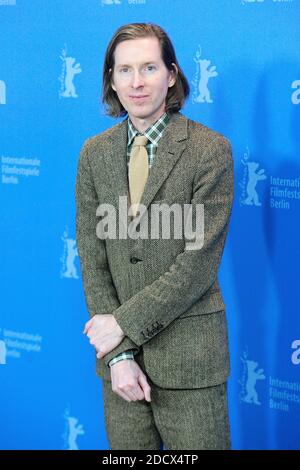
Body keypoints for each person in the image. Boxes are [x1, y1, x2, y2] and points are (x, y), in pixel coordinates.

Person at [75, 22, 234, 450]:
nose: (137, 81)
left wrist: (119, 328)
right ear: (111, 78)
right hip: (121, 371)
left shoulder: (209, 149)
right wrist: (120, 355)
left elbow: (196, 265)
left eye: (148, 67)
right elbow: (93, 260)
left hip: (190, 364)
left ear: (172, 73)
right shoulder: (94, 153)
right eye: (124, 69)